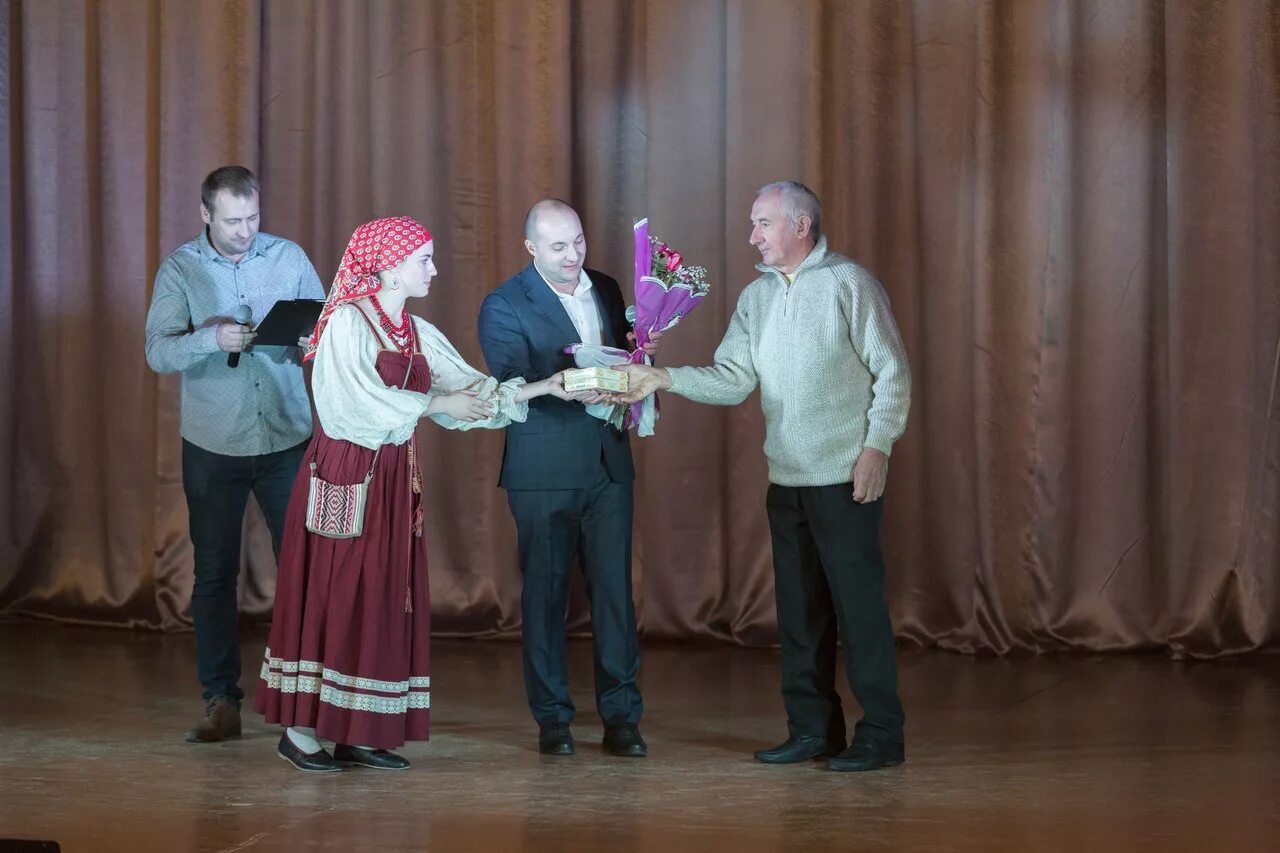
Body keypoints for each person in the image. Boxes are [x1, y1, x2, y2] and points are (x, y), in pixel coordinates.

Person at [255, 216, 575, 772]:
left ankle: (356, 729)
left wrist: (546, 386)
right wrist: (434, 407)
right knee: (336, 592)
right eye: (423, 259)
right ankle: (301, 733)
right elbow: (349, 404)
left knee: (380, 596)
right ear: (387, 267)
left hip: (394, 478)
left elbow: (466, 387)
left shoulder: (414, 330)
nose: (433, 268)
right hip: (347, 471)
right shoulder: (347, 324)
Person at [613, 181, 911, 772]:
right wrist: (663, 378)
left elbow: (893, 371)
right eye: (753, 224)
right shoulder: (755, 297)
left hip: (845, 477)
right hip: (787, 480)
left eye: (763, 224)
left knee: (859, 613)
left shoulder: (849, 284)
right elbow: (733, 378)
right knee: (800, 616)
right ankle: (812, 731)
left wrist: (877, 446)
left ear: (801, 225)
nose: (752, 236)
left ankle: (881, 735)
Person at [144, 165, 324, 743]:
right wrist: (209, 339)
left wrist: (307, 339)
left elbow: (328, 327)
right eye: (232, 221)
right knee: (214, 574)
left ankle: (304, 699)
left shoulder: (289, 256)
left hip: (286, 437)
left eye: (252, 218)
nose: (246, 231)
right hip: (213, 442)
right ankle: (220, 699)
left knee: (302, 569)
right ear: (205, 215)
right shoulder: (181, 269)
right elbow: (156, 352)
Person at [477, 199, 659, 758]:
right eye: (558, 246)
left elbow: (628, 355)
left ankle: (622, 719)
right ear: (530, 247)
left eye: (578, 241)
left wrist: (635, 367)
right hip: (544, 472)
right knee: (546, 597)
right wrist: (570, 380)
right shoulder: (503, 304)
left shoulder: (604, 285)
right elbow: (510, 385)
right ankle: (553, 720)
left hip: (608, 465)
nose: (572, 255)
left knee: (614, 598)